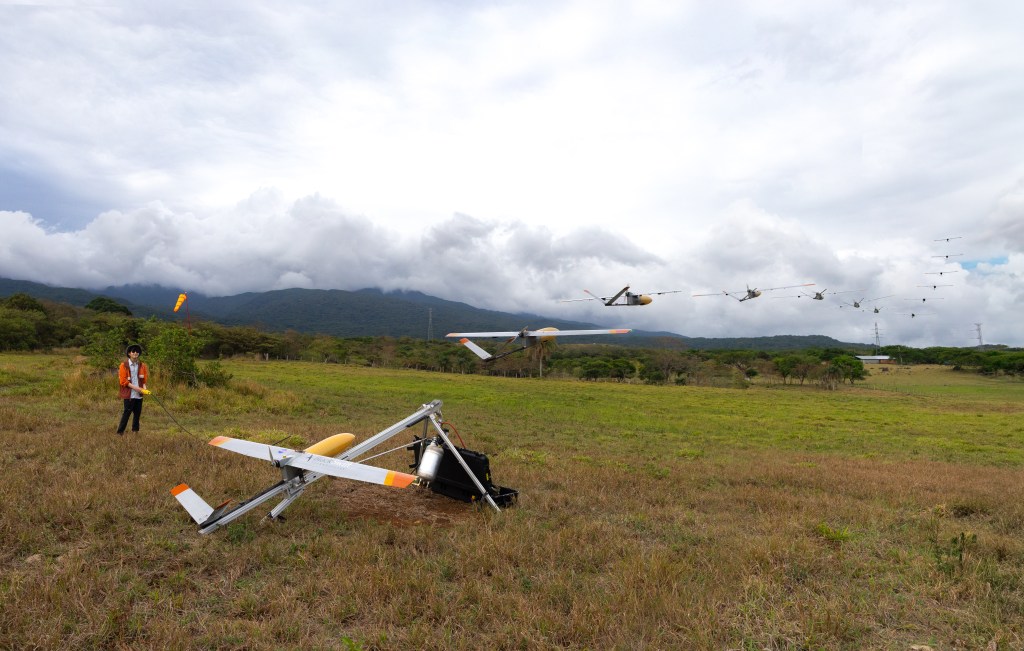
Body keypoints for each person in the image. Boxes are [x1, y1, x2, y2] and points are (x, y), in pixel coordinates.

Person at [117, 344, 150, 434]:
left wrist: (144, 389)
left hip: (139, 395)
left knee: (137, 414)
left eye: (137, 351)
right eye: (133, 351)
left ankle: (135, 432)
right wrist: (136, 388)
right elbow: (123, 381)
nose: (135, 353)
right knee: (127, 413)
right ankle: (120, 432)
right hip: (129, 394)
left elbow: (143, 380)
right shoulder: (123, 365)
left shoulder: (142, 365)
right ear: (129, 353)